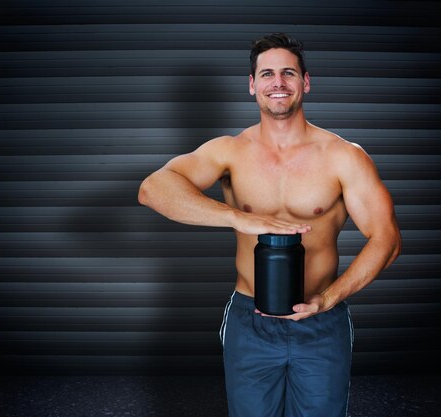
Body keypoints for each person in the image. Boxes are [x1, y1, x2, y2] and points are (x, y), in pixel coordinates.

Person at [138, 32, 401, 417]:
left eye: (288, 73)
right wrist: (237, 216)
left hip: (322, 320)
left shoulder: (344, 157)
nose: (277, 83)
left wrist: (328, 299)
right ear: (252, 85)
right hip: (250, 321)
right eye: (267, 74)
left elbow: (387, 240)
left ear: (305, 82)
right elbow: (153, 189)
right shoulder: (229, 151)